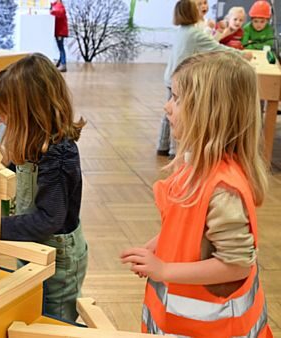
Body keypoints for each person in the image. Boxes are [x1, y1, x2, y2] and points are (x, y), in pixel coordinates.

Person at [121, 51, 272, 337]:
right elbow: (182, 227)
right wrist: (155, 248)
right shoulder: (195, 167)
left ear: (208, 112)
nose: (168, 107)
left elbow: (236, 266)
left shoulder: (223, 190)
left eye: (177, 98)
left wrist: (164, 269)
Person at [0, 54, 87, 322]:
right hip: (33, 247)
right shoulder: (33, 142)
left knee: (53, 322)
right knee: (31, 310)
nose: (1, 119)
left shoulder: (59, 154)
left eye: (5, 112)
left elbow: (49, 219)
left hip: (57, 258)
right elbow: (24, 181)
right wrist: (4, 160)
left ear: (31, 110)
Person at [157, 0, 251, 158]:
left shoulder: (184, 29)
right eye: (198, 6)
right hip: (182, 80)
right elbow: (217, 48)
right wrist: (242, 55)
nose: (202, 8)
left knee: (170, 114)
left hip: (172, 77)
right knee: (181, 114)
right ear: (191, 12)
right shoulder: (194, 33)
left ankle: (163, 146)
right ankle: (175, 151)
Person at [50, 0, 68, 72]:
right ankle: (60, 63)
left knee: (61, 48)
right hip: (59, 30)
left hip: (60, 31)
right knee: (60, 47)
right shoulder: (55, 5)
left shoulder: (59, 5)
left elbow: (61, 13)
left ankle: (63, 64)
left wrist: (52, 12)